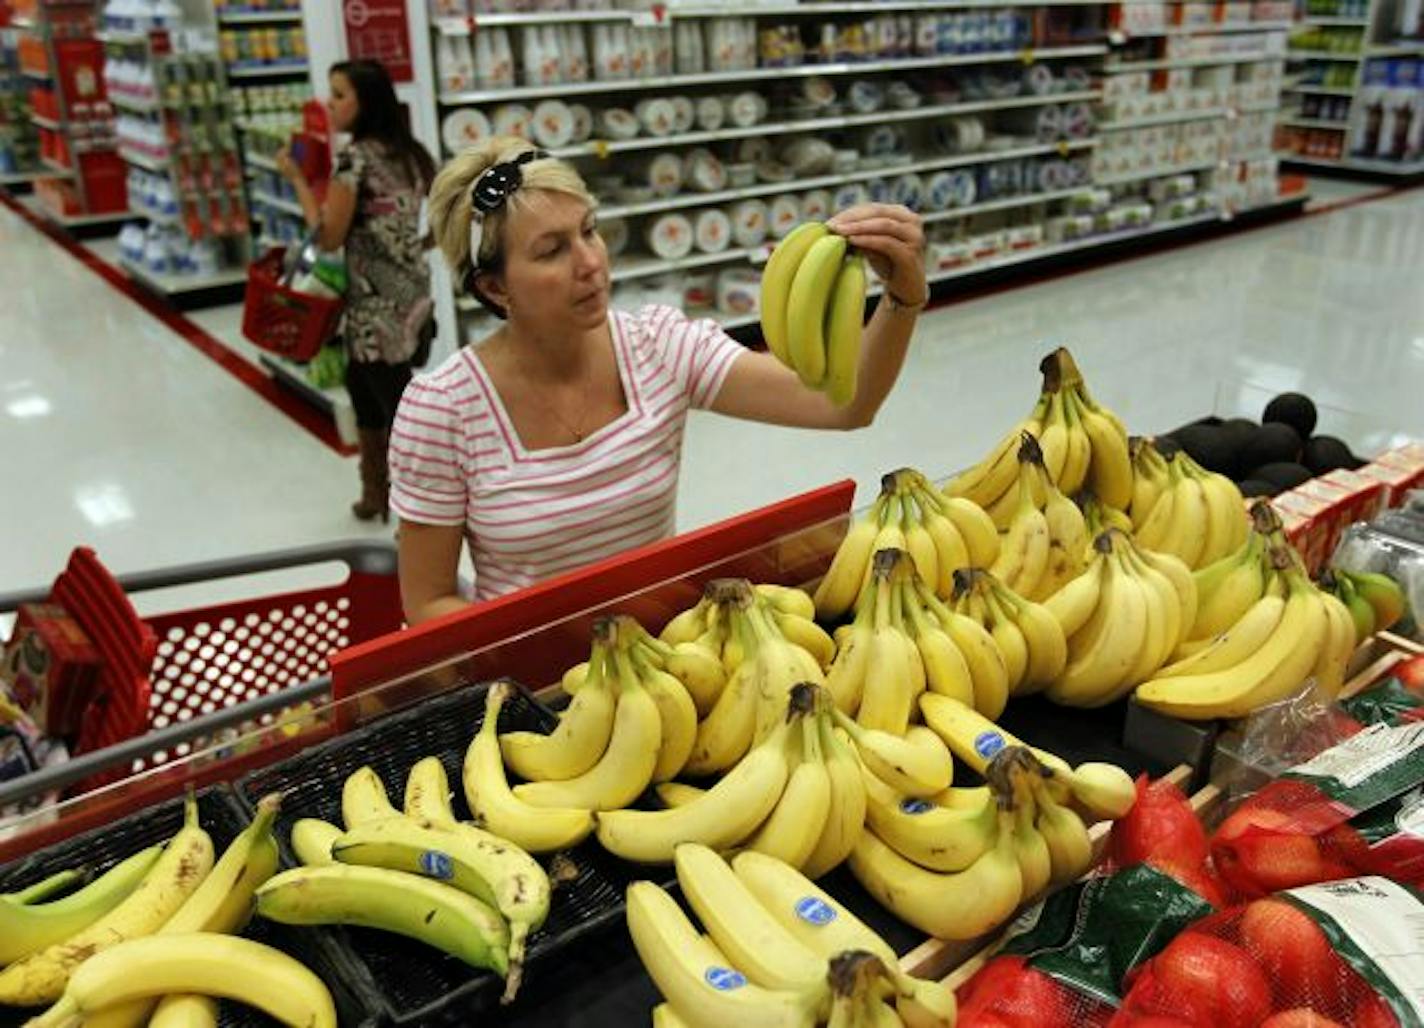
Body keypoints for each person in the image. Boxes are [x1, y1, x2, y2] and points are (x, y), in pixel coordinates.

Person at [392, 138, 927, 625]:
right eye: (552, 250)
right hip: (526, 675)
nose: (590, 262)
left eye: (589, 231)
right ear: (495, 288)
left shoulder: (657, 345)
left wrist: (903, 298)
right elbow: (429, 603)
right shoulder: (442, 411)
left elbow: (844, 405)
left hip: (665, 649)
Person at [276, 59, 436, 522]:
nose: (330, 103)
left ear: (366, 101)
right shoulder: (412, 153)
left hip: (372, 301)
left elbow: (327, 237)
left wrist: (299, 182)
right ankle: (378, 495)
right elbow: (433, 220)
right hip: (411, 293)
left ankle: (414, 501)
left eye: (340, 94)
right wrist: (415, 249)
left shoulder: (355, 159)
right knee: (371, 387)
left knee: (389, 398)